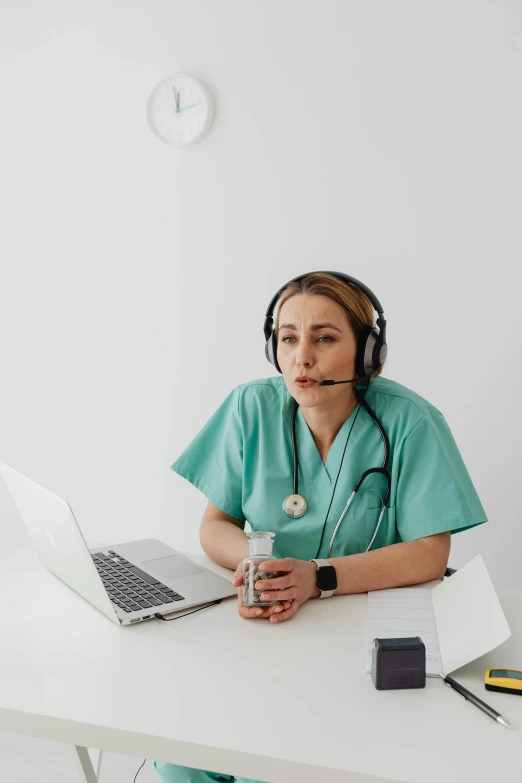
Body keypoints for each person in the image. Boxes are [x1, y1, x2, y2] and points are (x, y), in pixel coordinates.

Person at [154, 271, 488, 783]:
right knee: (179, 756)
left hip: (356, 646)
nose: (301, 358)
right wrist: (251, 564)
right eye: (288, 338)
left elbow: (429, 554)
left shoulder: (410, 422)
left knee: (271, 766)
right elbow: (215, 524)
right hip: (263, 640)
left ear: (367, 353)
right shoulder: (251, 407)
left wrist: (318, 577)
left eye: (324, 338)